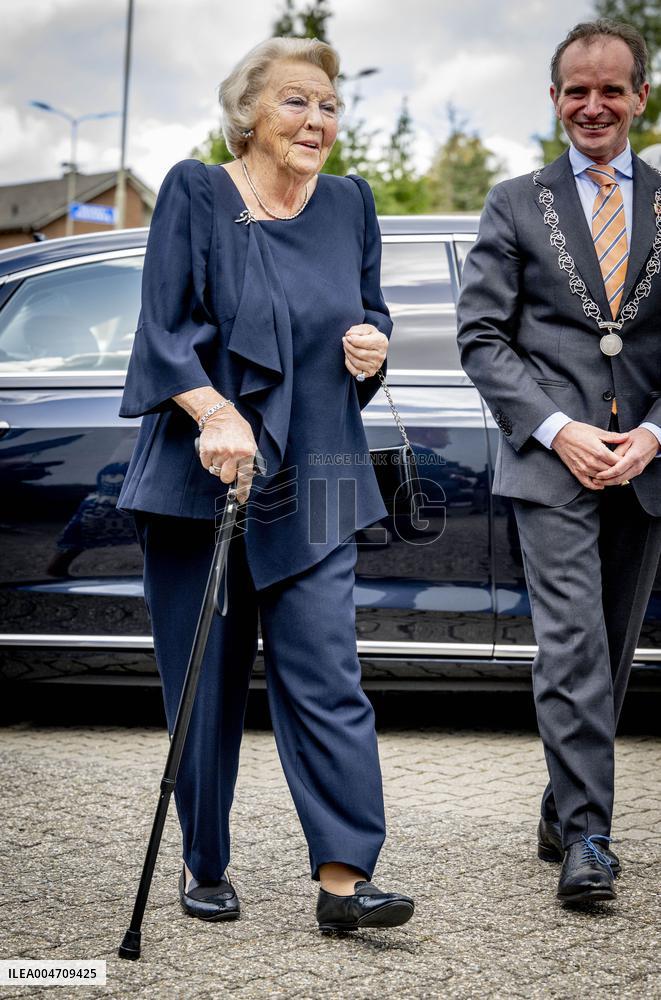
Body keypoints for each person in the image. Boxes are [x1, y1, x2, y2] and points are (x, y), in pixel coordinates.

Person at [117, 36, 414, 932]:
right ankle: (204, 860)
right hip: (203, 469)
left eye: (328, 104)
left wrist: (371, 347)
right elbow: (163, 331)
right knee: (204, 682)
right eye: (295, 101)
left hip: (321, 468)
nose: (317, 119)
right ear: (247, 113)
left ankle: (344, 880)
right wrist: (213, 410)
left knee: (327, 674)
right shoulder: (196, 191)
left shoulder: (352, 203)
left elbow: (368, 314)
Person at [457, 19, 661, 906]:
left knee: (608, 652)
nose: (592, 105)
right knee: (572, 646)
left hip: (645, 464)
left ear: (639, 96)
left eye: (610, 89)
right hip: (550, 465)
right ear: (553, 99)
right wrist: (555, 429)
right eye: (576, 90)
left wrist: (651, 435)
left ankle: (559, 809)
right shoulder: (514, 202)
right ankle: (588, 840)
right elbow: (481, 337)